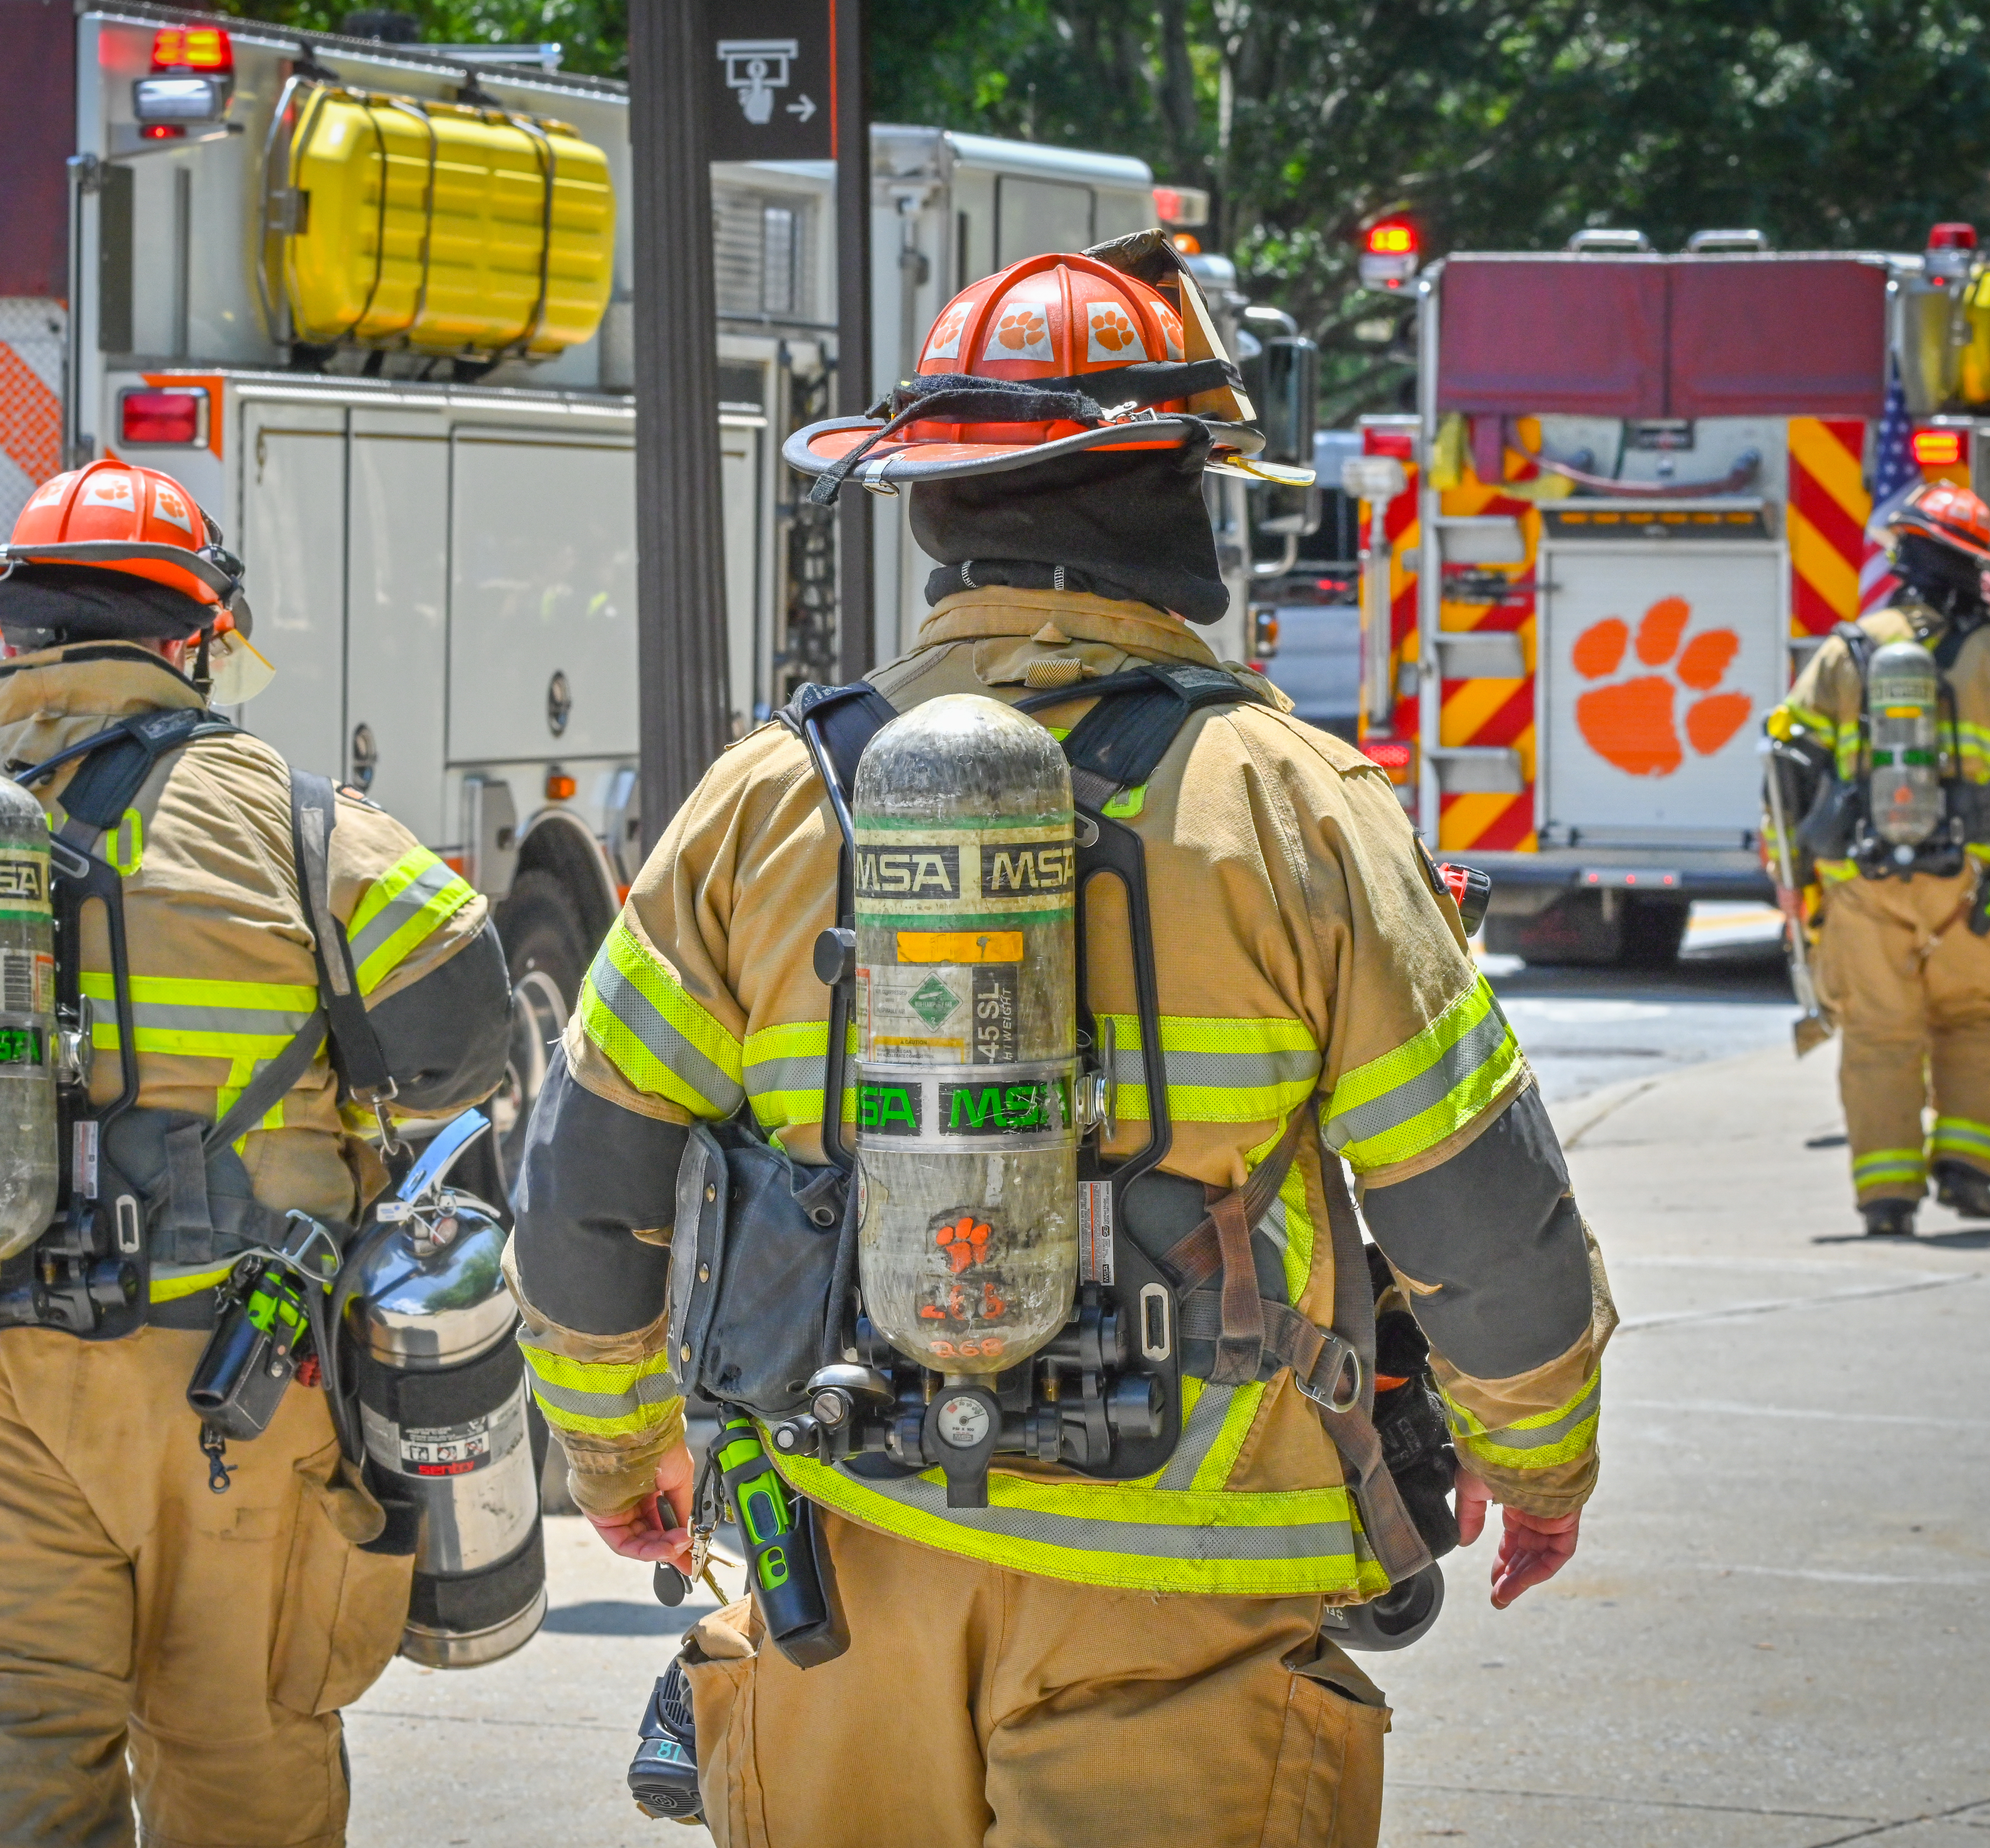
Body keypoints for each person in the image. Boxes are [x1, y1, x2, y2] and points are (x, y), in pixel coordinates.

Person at [509, 249, 1612, 1847]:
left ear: (932, 505)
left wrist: (615, 1457)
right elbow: (1474, 1209)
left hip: (839, 1559)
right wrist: (1542, 1458)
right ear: (1186, 499)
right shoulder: (1296, 804)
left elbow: (586, 1186)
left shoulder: (763, 798)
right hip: (1186, 1582)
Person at [0, 459, 512, 1847]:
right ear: (190, 633)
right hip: (234, 1380)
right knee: (238, 1742)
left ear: (17, 636)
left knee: (4, 1746)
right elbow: (463, 1034)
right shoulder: (293, 820)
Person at [1770, 481, 1990, 1237]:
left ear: (1900, 556)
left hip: (1861, 886)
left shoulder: (1846, 649)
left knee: (1879, 1035)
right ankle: (1966, 1172)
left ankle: (1886, 1202)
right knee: (1982, 1018)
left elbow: (1786, 775)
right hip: (1974, 891)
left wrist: (1788, 880)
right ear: (1973, 564)